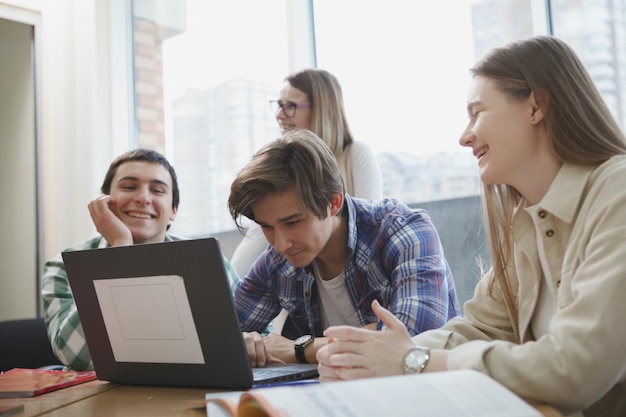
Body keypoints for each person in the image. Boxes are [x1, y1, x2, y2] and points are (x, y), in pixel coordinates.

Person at [316, 36, 626, 417]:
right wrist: (372, 355)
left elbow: (575, 369)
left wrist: (415, 360)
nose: (465, 137)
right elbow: (478, 328)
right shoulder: (527, 221)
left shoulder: (618, 195)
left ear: (536, 106)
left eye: (477, 112)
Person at [228, 128, 460, 367]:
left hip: (431, 393)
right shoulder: (277, 261)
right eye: (267, 227)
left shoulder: (402, 230)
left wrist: (299, 348)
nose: (280, 244)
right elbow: (222, 336)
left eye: (293, 222)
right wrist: (249, 342)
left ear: (334, 202)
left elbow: (413, 340)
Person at [42, 148, 240, 371]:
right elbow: (75, 357)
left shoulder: (206, 261)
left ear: (173, 210)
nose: (143, 198)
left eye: (157, 190)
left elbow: (260, 335)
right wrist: (120, 249)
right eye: (128, 187)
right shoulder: (63, 266)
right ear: (105, 202)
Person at [230, 68, 383, 280]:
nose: (279, 115)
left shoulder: (355, 155)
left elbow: (367, 227)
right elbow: (249, 252)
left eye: (290, 106)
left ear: (322, 110)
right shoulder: (282, 177)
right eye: (279, 105)